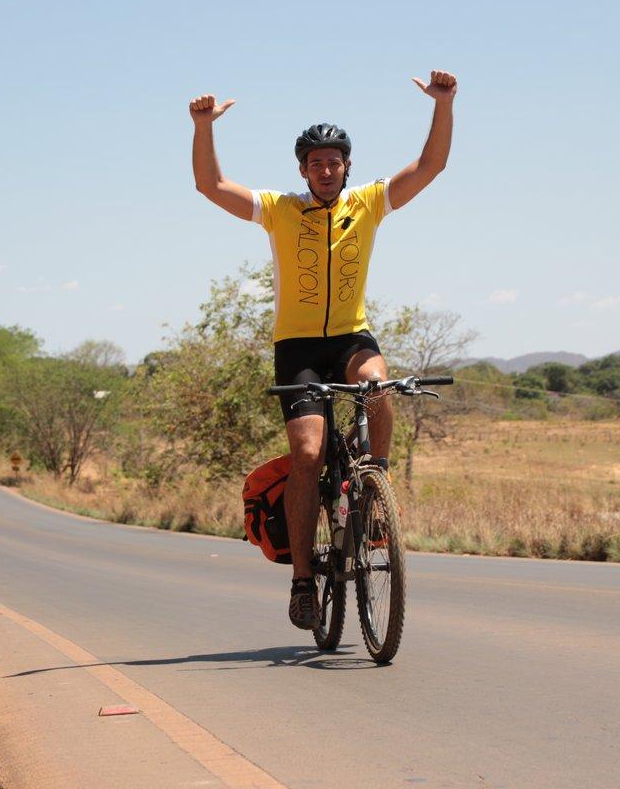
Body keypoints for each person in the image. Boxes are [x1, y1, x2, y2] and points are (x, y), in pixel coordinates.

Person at [189, 70, 457, 630]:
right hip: (299, 347)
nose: (327, 170)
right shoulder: (280, 209)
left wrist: (444, 104)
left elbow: (430, 166)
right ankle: (304, 581)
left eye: (335, 161)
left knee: (379, 386)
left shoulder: (369, 204)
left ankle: (376, 491)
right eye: (316, 163)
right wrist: (203, 127)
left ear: (348, 165)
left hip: (352, 339)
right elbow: (211, 187)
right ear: (303, 169)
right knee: (309, 455)